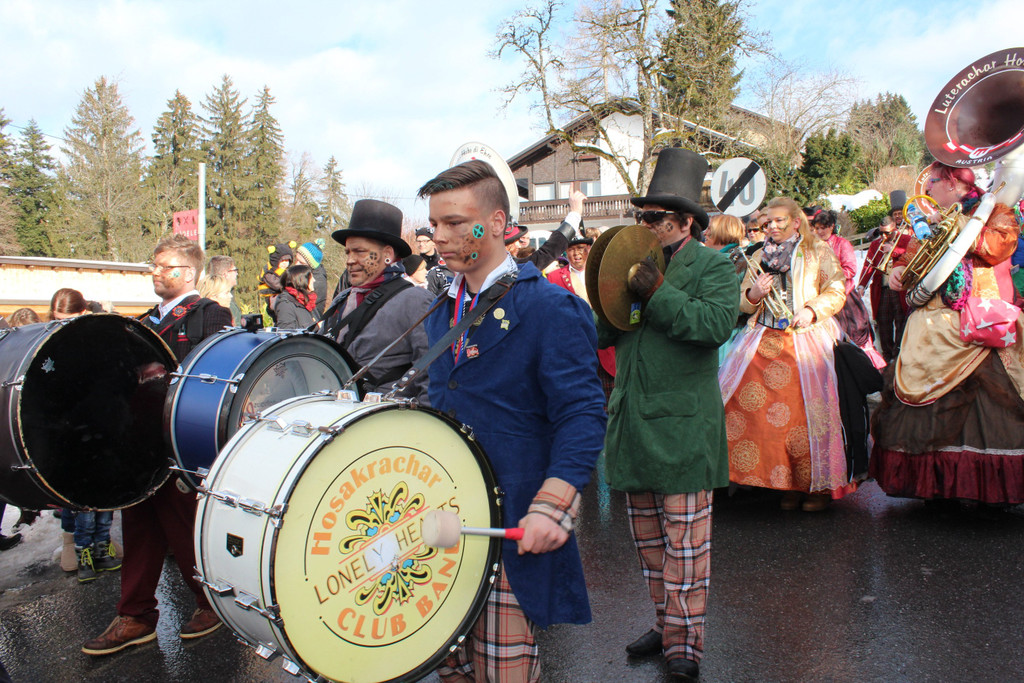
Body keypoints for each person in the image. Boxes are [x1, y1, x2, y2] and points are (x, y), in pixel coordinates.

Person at [417, 159, 606, 683]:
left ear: (497, 223)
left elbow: (582, 413)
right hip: (449, 519)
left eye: (455, 223)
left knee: (505, 672)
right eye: (434, 224)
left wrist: (554, 503)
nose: (440, 237)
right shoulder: (441, 311)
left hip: (512, 519)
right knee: (449, 669)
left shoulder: (551, 307)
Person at [597, 148, 738, 682]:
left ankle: (685, 642)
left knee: (686, 548)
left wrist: (657, 292)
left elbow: (713, 326)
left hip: (683, 428)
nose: (643, 224)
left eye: (652, 217)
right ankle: (665, 623)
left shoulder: (714, 266)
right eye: (640, 215)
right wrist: (605, 294)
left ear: (682, 222)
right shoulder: (635, 260)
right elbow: (605, 332)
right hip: (634, 422)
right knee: (651, 545)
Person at [82, 234, 232, 656]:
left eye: (165, 266)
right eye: (154, 265)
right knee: (138, 529)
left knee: (184, 529)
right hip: (140, 443)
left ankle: (212, 603)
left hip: (180, 441)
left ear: (188, 273)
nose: (155, 272)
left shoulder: (210, 314)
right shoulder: (143, 322)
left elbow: (212, 378)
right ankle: (135, 616)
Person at [870, 162, 1024, 506]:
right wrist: (898, 271)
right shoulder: (930, 220)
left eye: (933, 182)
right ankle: (936, 487)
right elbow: (912, 258)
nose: (927, 190)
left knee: (990, 406)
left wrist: (957, 226)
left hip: (978, 323)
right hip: (930, 325)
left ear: (954, 183)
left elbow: (1000, 245)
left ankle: (984, 491)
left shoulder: (994, 210)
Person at [719, 196, 850, 513]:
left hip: (804, 341)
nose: (772, 227)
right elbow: (743, 301)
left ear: (795, 221)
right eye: (768, 222)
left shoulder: (817, 250)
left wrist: (812, 310)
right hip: (762, 340)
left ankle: (814, 486)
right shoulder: (758, 254)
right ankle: (784, 485)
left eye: (779, 220)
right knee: (754, 416)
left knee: (805, 419)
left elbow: (836, 289)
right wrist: (753, 294)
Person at [322, 199, 433, 400]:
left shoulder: (415, 301)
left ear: (388, 254)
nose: (350, 260)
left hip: (387, 416)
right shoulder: (342, 299)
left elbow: (431, 379)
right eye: (348, 252)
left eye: (360, 252)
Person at [546, 235, 617, 404]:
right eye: (571, 249)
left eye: (580, 248)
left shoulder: (603, 272)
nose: (576, 253)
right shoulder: (554, 278)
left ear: (589, 249)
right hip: (575, 350)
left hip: (605, 349)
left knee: (611, 402)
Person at [857, 191, 914, 362]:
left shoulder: (905, 239)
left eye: (887, 233)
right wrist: (862, 285)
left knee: (901, 322)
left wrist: (894, 251)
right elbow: (868, 265)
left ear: (894, 229)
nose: (884, 237)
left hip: (900, 288)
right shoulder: (876, 244)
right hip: (882, 289)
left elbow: (911, 256)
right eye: (881, 233)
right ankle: (887, 356)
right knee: (883, 323)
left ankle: (899, 355)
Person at [257, 241, 295, 322]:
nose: (285, 263)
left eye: (287, 261)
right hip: (272, 296)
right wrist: (286, 287)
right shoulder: (269, 272)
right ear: (276, 260)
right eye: (283, 261)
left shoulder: (285, 271)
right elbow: (275, 283)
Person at [273, 264, 318, 329]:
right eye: (311, 278)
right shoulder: (285, 304)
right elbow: (287, 332)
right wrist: (316, 327)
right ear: (302, 280)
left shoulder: (308, 301)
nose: (314, 280)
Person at [293, 239, 328, 316]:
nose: (296, 264)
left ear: (311, 265)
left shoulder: (316, 282)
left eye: (301, 262)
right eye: (296, 260)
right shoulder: (303, 274)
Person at [206, 255, 241, 324]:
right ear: (225, 274)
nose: (237, 274)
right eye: (234, 270)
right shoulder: (224, 303)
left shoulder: (207, 296)